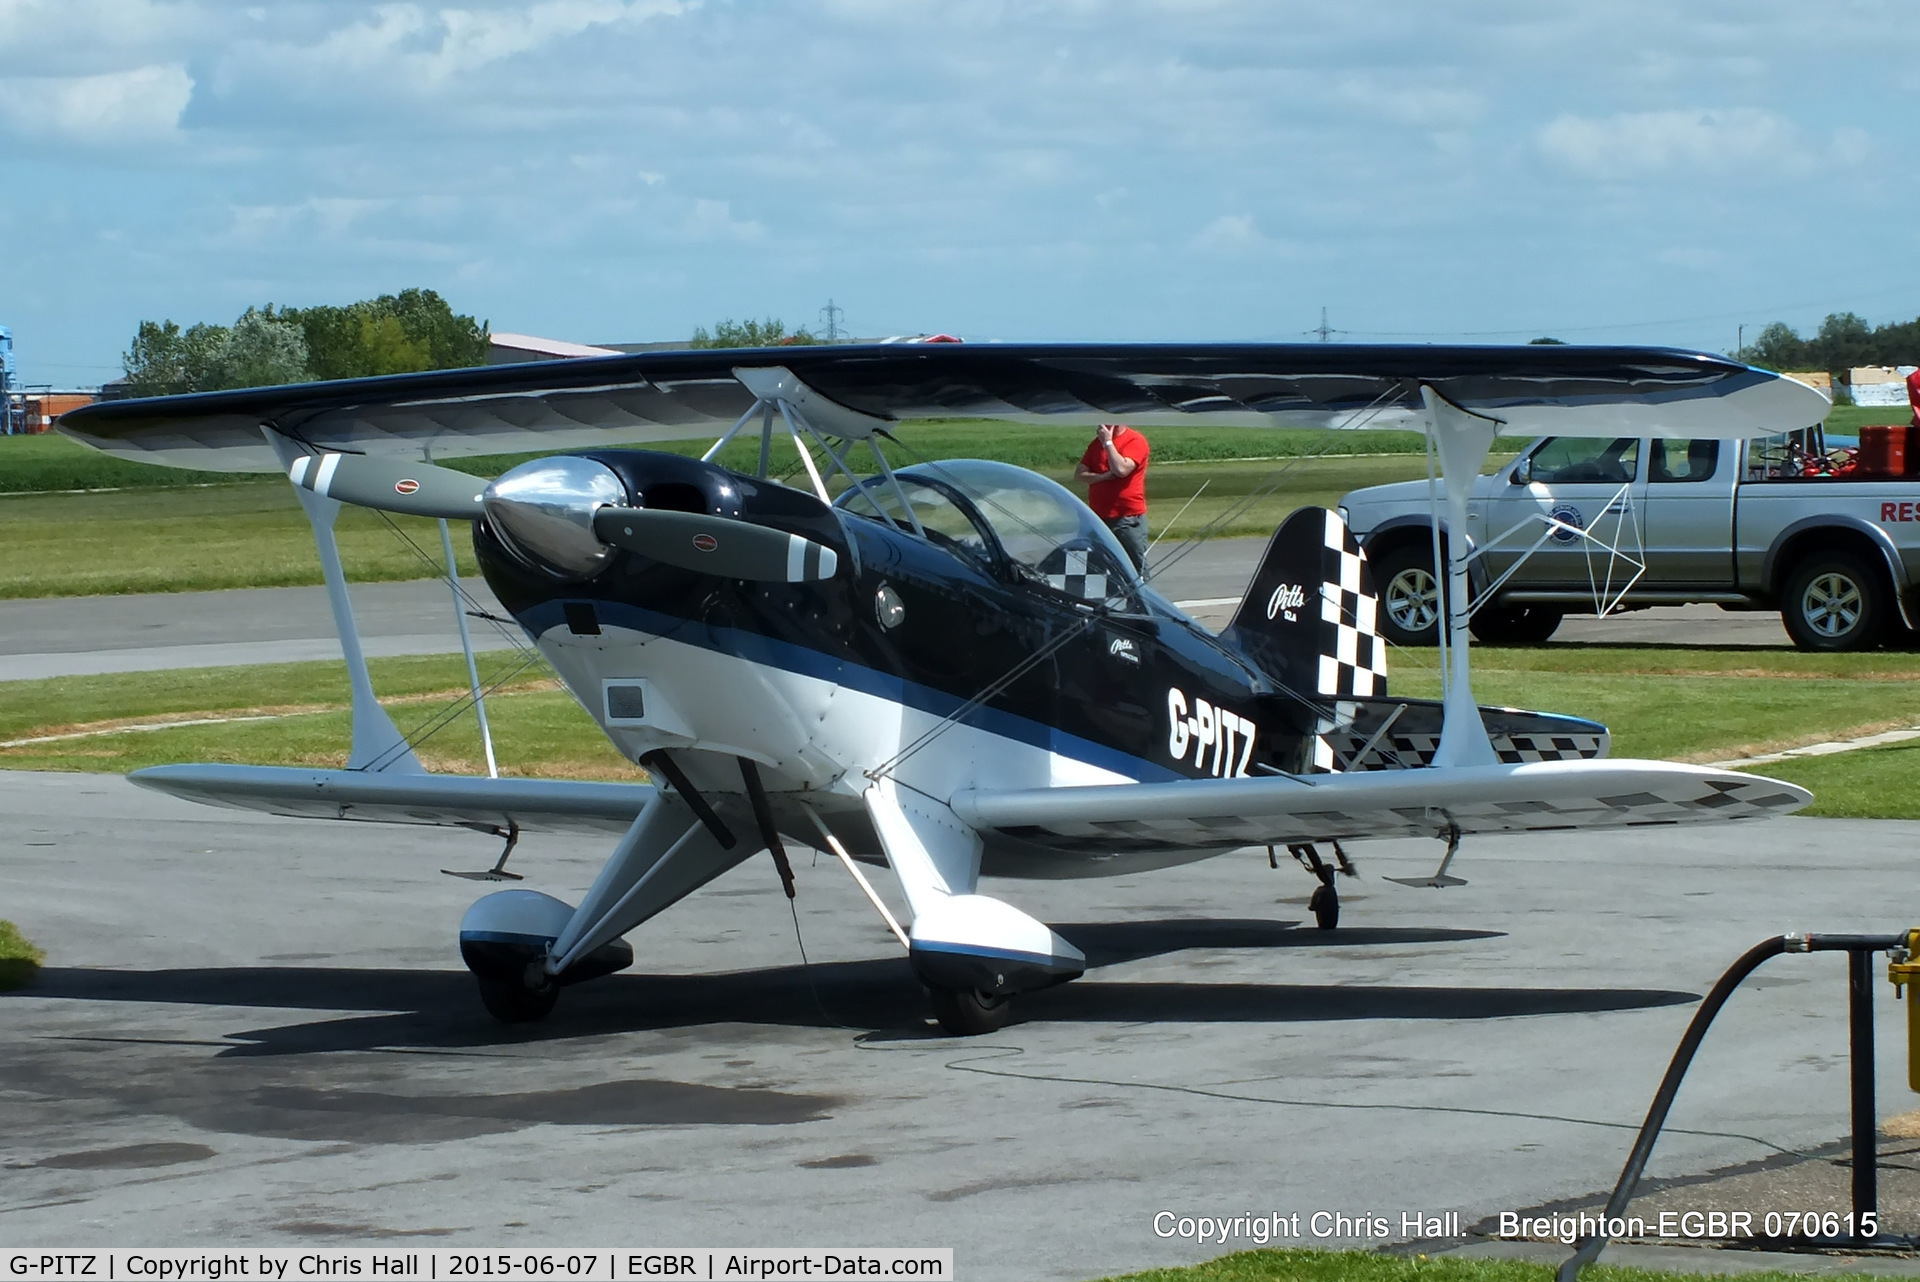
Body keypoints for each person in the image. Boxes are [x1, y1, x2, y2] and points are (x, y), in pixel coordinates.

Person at [1075, 422, 1150, 572]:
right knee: (1096, 565)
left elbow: (1121, 469)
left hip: (1126, 517)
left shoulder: (1135, 441)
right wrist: (1103, 477)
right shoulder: (1096, 445)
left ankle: (1139, 594)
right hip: (1098, 517)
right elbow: (1080, 474)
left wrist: (1108, 443)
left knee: (1133, 567)